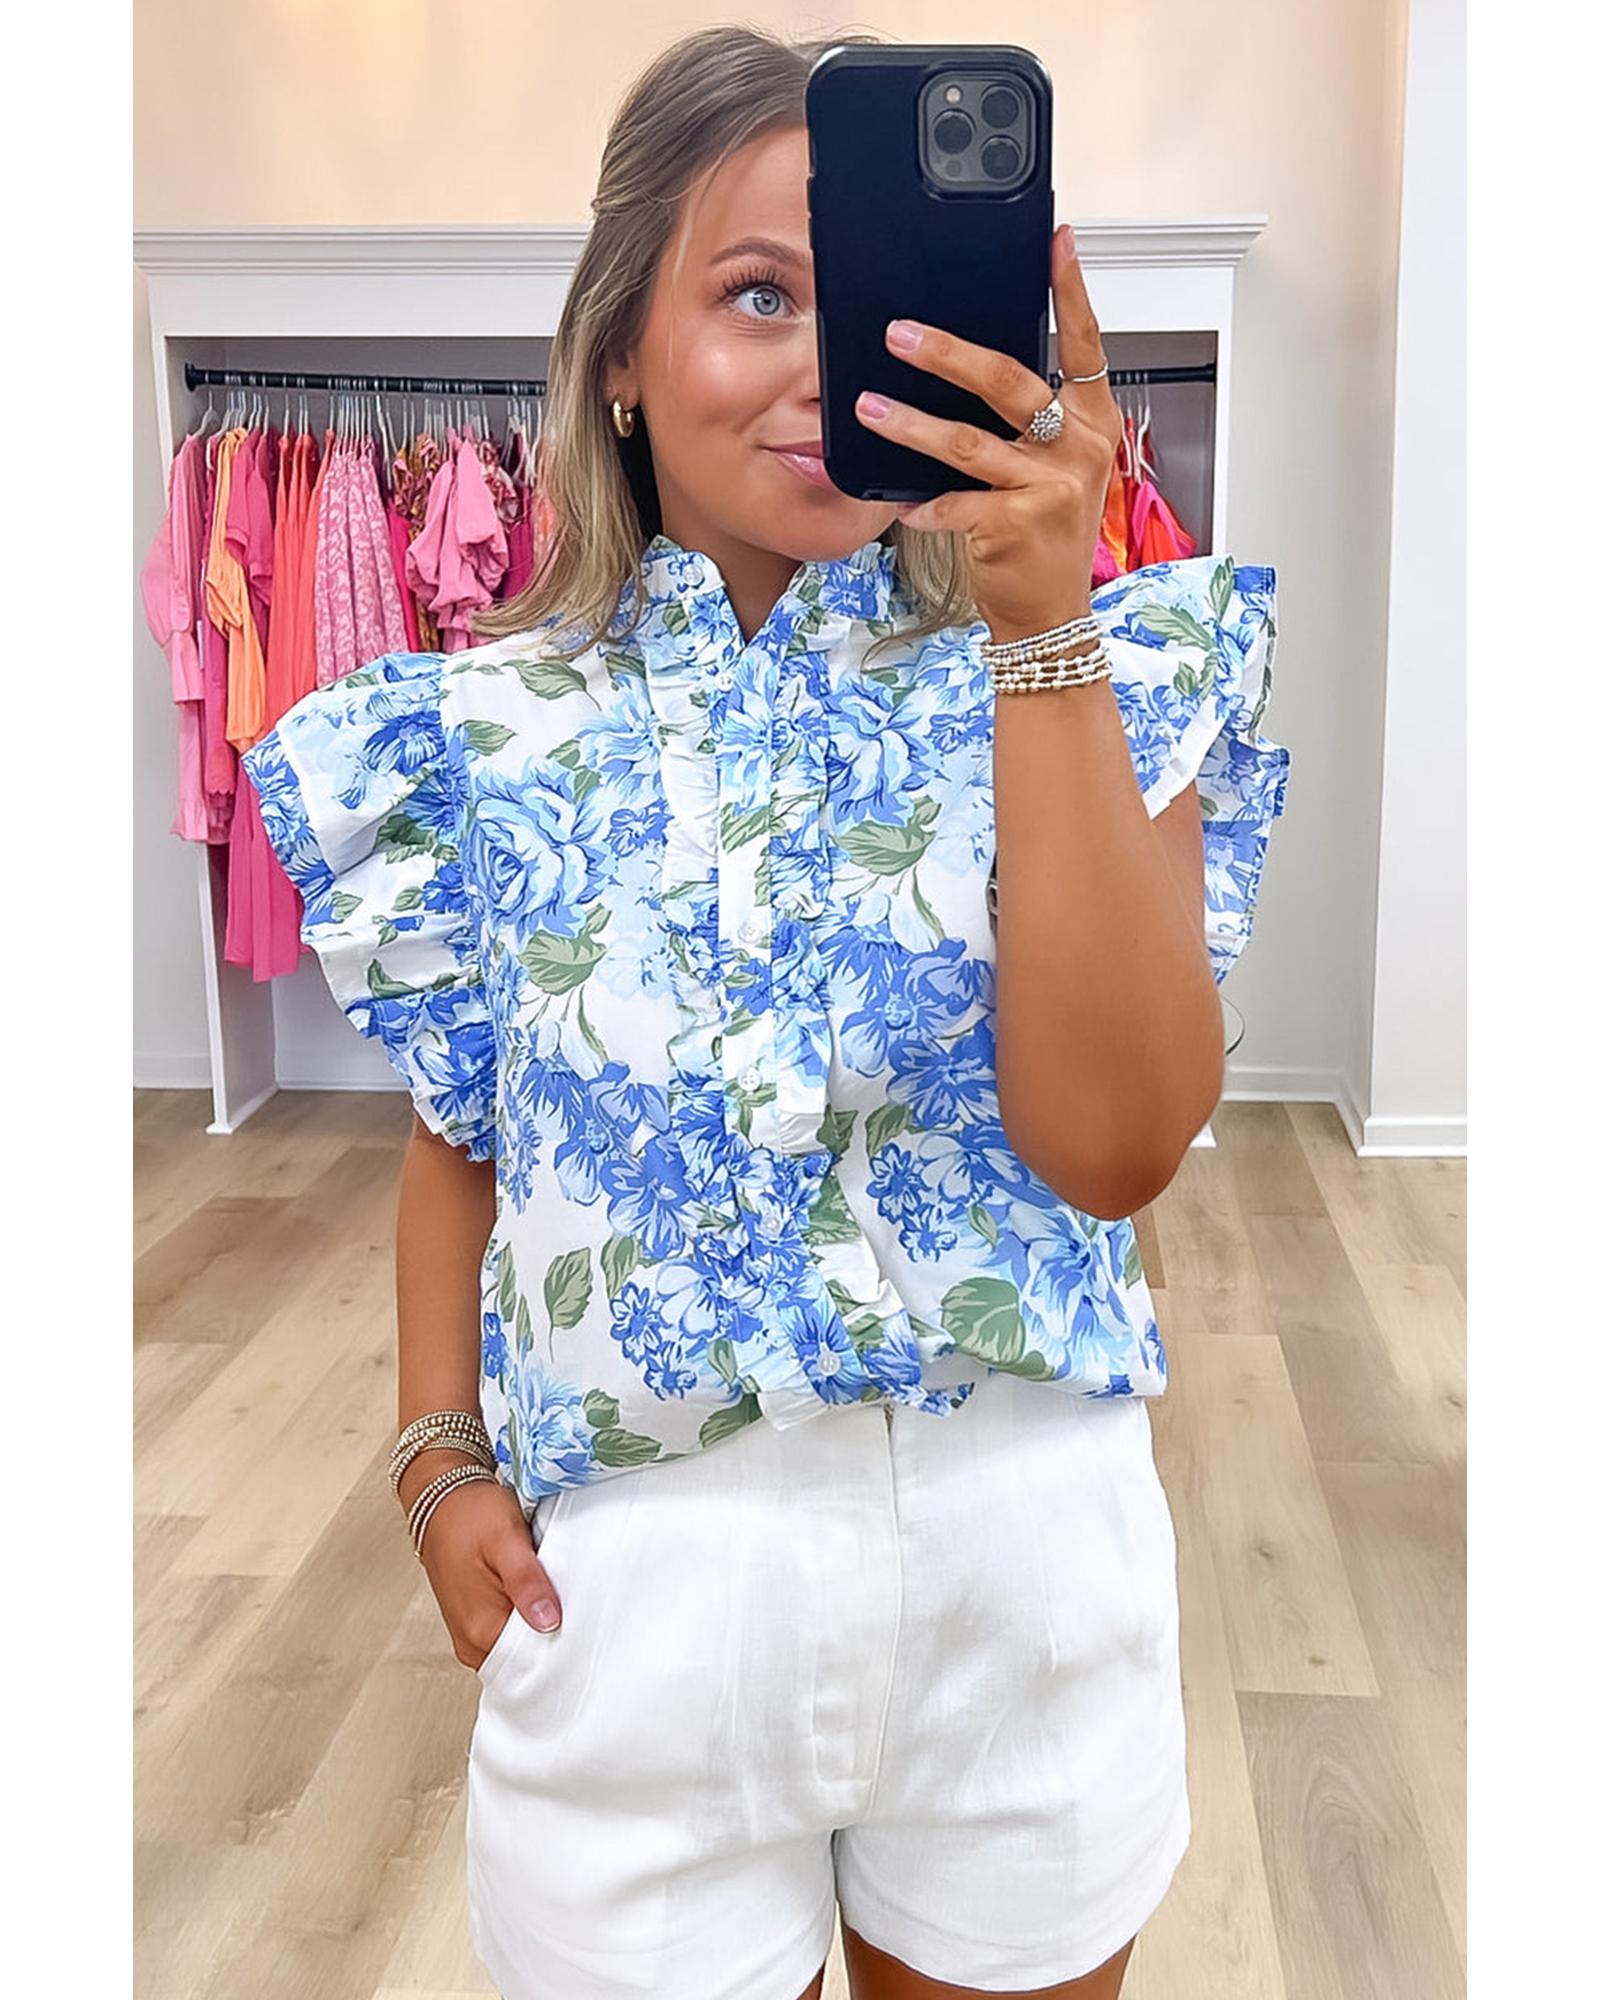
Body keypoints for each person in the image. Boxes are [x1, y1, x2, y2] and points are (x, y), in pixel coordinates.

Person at [242, 25, 1290, 2000]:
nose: (829, 364)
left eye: (879, 302)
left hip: (1024, 1588)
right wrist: (435, 1453)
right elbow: (468, 1134)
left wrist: (1043, 631)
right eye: (752, 295)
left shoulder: (1102, 671)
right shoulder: (472, 736)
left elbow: (1118, 1146)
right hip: (635, 1621)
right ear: (618, 356)